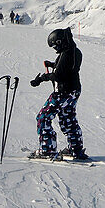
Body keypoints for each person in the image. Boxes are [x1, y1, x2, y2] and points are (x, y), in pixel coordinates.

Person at [28, 28, 88, 161]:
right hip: (73, 91)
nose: (55, 48)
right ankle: (75, 150)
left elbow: (58, 75)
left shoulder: (66, 53)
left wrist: (41, 79)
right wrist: (52, 64)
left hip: (62, 92)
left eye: (55, 45)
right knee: (68, 120)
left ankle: (47, 150)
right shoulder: (74, 51)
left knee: (43, 117)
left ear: (60, 41)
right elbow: (66, 67)